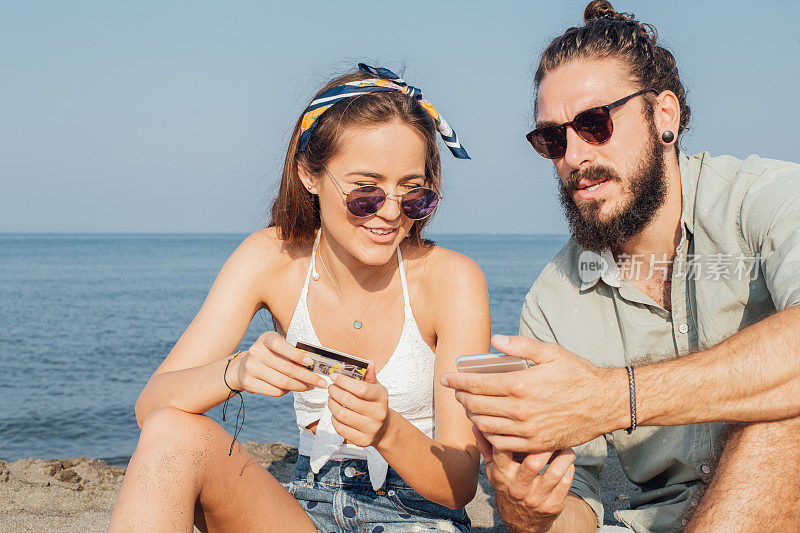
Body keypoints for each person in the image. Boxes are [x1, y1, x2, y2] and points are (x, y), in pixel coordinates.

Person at [441, 1, 800, 532]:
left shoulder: (766, 199)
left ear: (664, 117)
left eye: (594, 122)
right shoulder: (552, 302)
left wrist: (612, 398)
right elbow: (576, 502)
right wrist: (527, 506)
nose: (574, 154)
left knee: (779, 413)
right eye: (552, 138)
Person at [109, 63, 490, 532]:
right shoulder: (271, 257)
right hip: (308, 507)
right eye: (365, 193)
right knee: (172, 435)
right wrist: (239, 370)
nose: (391, 213)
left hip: (419, 515)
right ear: (310, 174)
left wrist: (387, 430)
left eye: (413, 195)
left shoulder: (452, 279)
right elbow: (152, 408)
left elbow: (459, 484)